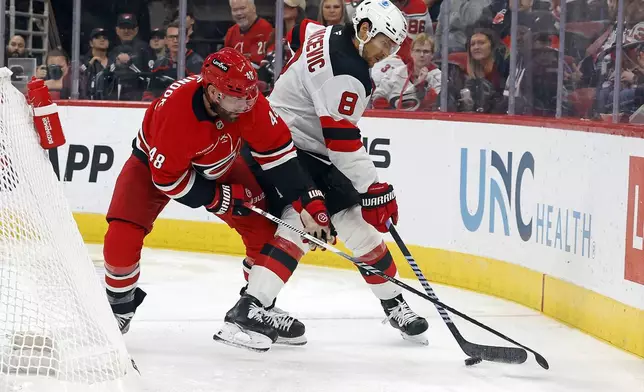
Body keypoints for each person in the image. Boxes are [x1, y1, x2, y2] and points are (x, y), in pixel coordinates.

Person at [216, 0, 429, 352]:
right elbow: (342, 142)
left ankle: (394, 305)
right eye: (385, 43)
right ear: (363, 30)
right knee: (302, 221)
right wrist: (375, 188)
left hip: (288, 141)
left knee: (353, 224)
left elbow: (298, 34)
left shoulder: (324, 31)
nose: (387, 54)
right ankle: (250, 307)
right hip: (285, 150)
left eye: (394, 47)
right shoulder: (348, 73)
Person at [103, 48, 334, 350]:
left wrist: (310, 203)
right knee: (122, 235)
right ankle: (118, 310)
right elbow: (167, 179)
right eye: (238, 98)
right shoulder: (177, 116)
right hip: (151, 166)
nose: (246, 104)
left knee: (264, 233)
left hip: (219, 163)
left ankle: (257, 307)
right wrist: (216, 199)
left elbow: (281, 155)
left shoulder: (247, 103)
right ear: (212, 92)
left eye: (251, 96)